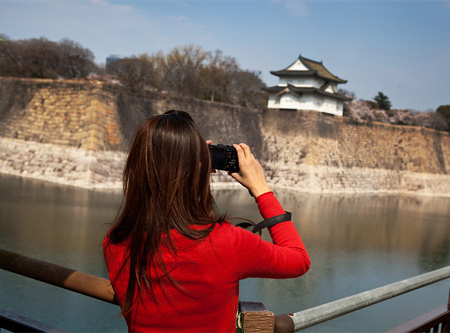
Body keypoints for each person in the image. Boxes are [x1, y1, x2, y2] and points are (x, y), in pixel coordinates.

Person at [103, 110, 310, 332]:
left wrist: (192, 167)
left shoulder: (115, 241)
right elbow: (299, 260)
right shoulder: (226, 243)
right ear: (198, 169)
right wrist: (261, 190)